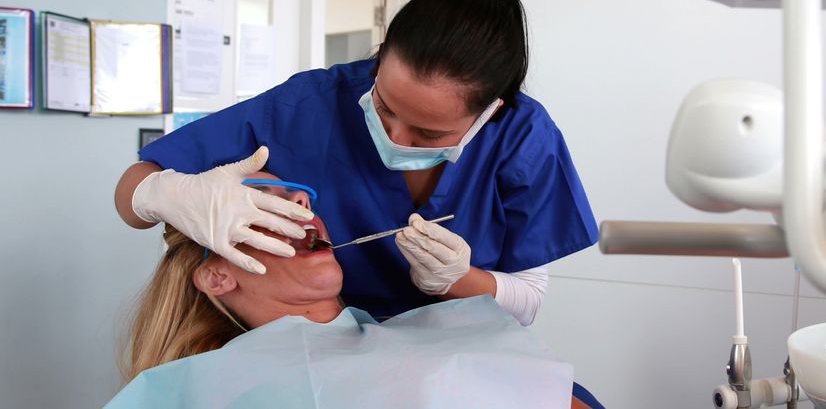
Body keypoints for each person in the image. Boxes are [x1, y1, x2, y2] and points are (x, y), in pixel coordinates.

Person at [113, 0, 598, 325]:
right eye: (384, 108)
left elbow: (528, 300)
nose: (395, 139)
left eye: (428, 135)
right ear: (381, 55)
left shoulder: (523, 137)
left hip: (460, 356)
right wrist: (168, 194)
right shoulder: (305, 108)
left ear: (491, 112)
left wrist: (456, 279)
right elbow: (131, 193)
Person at [112, 171, 598, 409]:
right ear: (218, 275)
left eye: (295, 194)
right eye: (264, 205)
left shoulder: (420, 339)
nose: (301, 200)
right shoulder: (198, 392)